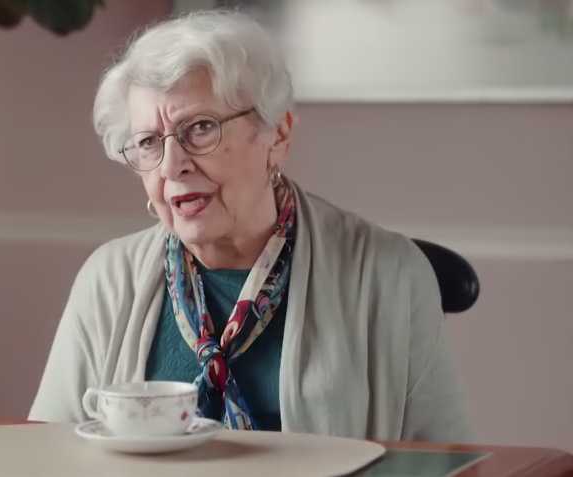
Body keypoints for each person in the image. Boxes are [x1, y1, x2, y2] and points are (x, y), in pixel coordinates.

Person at [29, 10, 471, 442]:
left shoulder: (388, 275)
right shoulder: (107, 280)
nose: (172, 165)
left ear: (278, 134)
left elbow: (445, 464)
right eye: (148, 142)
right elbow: (44, 454)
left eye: (200, 128)